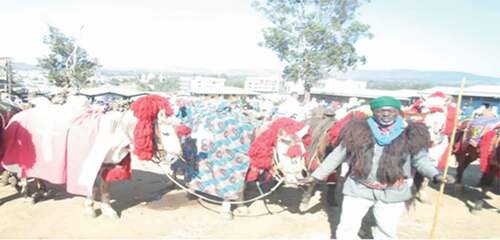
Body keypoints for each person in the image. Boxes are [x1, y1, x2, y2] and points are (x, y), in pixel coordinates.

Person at [300, 96, 453, 239]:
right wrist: (315, 176)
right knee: (347, 227)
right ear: (374, 112)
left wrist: (435, 175)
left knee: (386, 230)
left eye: (390, 111)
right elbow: (337, 155)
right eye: (381, 111)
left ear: (397, 112)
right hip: (358, 188)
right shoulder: (357, 131)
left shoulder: (412, 134)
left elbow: (421, 160)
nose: (385, 114)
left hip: (393, 191)